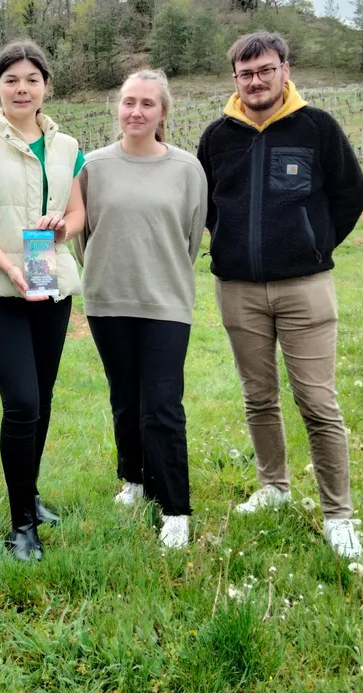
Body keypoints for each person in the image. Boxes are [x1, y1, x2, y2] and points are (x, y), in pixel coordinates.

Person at [196, 31, 363, 559]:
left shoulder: (317, 128)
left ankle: (339, 515)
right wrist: (231, 248)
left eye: (265, 69)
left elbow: (350, 194)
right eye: (246, 73)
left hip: (305, 289)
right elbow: (205, 205)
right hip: (238, 290)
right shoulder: (216, 136)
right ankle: (273, 486)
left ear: (285, 69)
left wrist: (312, 247)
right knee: (258, 396)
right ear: (235, 79)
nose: (256, 80)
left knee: (317, 400)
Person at [0, 41, 85, 562]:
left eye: (31, 79)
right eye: (12, 79)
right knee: (22, 402)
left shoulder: (67, 146)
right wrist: (7, 265)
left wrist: (62, 226)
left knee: (44, 398)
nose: (22, 88)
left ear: (46, 86)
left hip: (49, 283)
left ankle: (29, 493)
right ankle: (21, 523)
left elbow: (78, 214)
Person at [78, 69, 207, 550]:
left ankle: (175, 508)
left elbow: (191, 238)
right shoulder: (91, 166)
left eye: (147, 104)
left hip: (166, 302)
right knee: (125, 396)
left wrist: (163, 276)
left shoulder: (187, 169)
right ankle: (133, 479)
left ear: (163, 113)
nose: (135, 111)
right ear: (118, 107)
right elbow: (84, 236)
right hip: (108, 300)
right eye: (129, 101)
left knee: (162, 404)